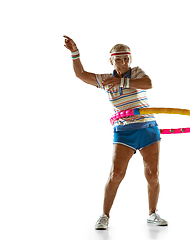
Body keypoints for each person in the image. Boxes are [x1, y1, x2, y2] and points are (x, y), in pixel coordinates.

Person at [63, 35, 168, 230]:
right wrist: (75, 53)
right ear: (111, 60)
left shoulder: (136, 73)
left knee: (153, 175)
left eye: (126, 58)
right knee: (116, 174)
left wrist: (122, 83)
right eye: (118, 59)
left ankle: (152, 214)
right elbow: (81, 75)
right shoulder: (106, 80)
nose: (123, 62)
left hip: (148, 129)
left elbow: (148, 84)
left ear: (130, 59)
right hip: (124, 132)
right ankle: (104, 216)